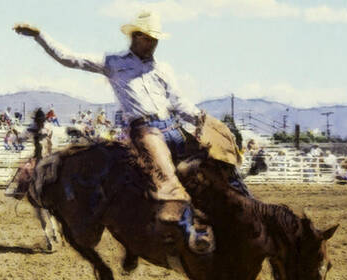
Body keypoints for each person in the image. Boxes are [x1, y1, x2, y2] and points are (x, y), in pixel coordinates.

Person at [14, 11, 213, 253]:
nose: (153, 43)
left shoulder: (162, 69)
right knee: (167, 178)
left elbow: (179, 102)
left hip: (173, 125)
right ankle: (191, 233)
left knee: (216, 164)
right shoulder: (113, 63)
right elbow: (68, 58)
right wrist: (40, 36)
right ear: (136, 36)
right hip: (145, 131)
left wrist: (201, 118)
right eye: (149, 38)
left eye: (156, 39)